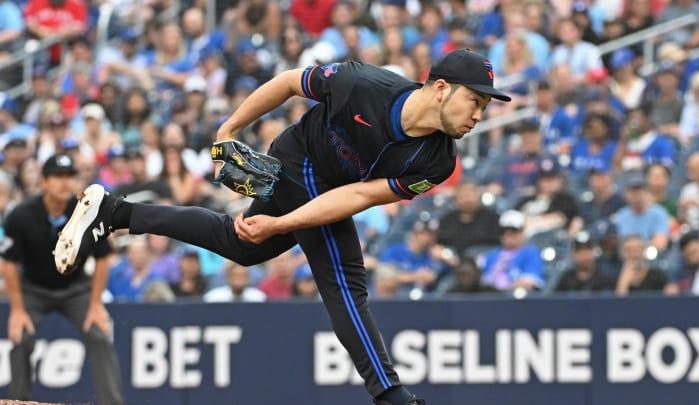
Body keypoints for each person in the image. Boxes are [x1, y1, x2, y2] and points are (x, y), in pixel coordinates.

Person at [55, 49, 512, 405]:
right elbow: (290, 82)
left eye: (485, 106)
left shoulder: (438, 159)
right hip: (299, 159)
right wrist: (229, 127)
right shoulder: (361, 83)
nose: (478, 115)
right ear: (439, 89)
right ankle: (391, 395)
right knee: (344, 280)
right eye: (475, 100)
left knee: (241, 245)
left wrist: (281, 224)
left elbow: (358, 197)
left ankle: (115, 212)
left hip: (333, 187)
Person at [0, 154, 125, 404]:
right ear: (44, 182)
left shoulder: (84, 214)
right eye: (58, 177)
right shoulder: (22, 215)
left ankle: (113, 402)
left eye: (69, 177)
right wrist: (17, 309)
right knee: (20, 337)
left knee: (100, 333)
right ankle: (19, 401)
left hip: (75, 289)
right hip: (33, 290)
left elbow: (104, 257)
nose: (64, 183)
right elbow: (9, 262)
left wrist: (95, 303)